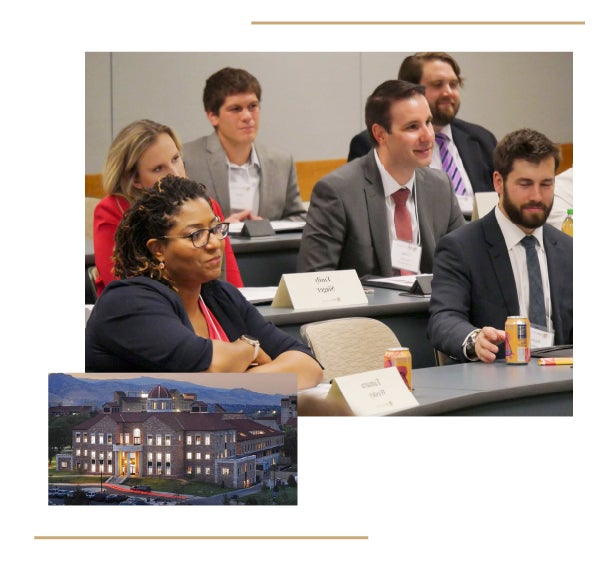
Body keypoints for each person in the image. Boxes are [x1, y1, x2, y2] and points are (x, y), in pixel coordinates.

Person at [86, 175, 323, 390]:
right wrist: (249, 349)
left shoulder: (219, 295)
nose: (214, 243)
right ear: (158, 249)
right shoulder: (128, 302)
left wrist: (240, 374)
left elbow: (308, 366)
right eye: (196, 235)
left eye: (215, 228)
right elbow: (209, 374)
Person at [427, 128, 573, 363]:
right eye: (525, 184)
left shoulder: (569, 250)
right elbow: (443, 319)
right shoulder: (461, 248)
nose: (537, 196)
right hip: (496, 381)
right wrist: (475, 339)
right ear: (498, 182)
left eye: (546, 184)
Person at [297, 80, 466, 279]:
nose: (428, 136)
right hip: (369, 309)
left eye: (428, 122)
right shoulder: (338, 192)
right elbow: (314, 279)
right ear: (380, 134)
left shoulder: (440, 186)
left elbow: (464, 264)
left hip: (434, 307)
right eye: (412, 127)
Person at [93, 119, 243, 297]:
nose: (176, 172)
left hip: (205, 311)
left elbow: (233, 284)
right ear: (135, 180)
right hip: (142, 313)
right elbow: (123, 289)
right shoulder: (113, 210)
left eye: (175, 159)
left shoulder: (206, 206)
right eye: (158, 168)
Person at [347, 52, 497, 216]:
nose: (448, 92)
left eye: (453, 84)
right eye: (438, 84)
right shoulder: (373, 143)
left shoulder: (482, 139)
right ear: (410, 91)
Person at [183, 67, 306, 223]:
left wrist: (266, 228)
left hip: (268, 247)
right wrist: (220, 229)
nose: (247, 116)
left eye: (252, 106)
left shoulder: (282, 162)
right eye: (235, 109)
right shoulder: (187, 160)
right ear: (213, 116)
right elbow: (176, 224)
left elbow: (299, 218)